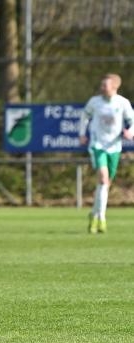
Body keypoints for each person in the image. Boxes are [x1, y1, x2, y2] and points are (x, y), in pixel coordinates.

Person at [79, 73, 134, 234]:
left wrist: (130, 132)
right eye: (102, 84)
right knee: (103, 178)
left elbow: (132, 120)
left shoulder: (122, 103)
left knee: (105, 184)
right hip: (97, 145)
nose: (102, 87)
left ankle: (94, 214)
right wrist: (82, 133)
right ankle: (101, 218)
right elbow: (84, 116)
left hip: (114, 147)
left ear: (114, 87)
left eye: (105, 85)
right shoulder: (94, 102)